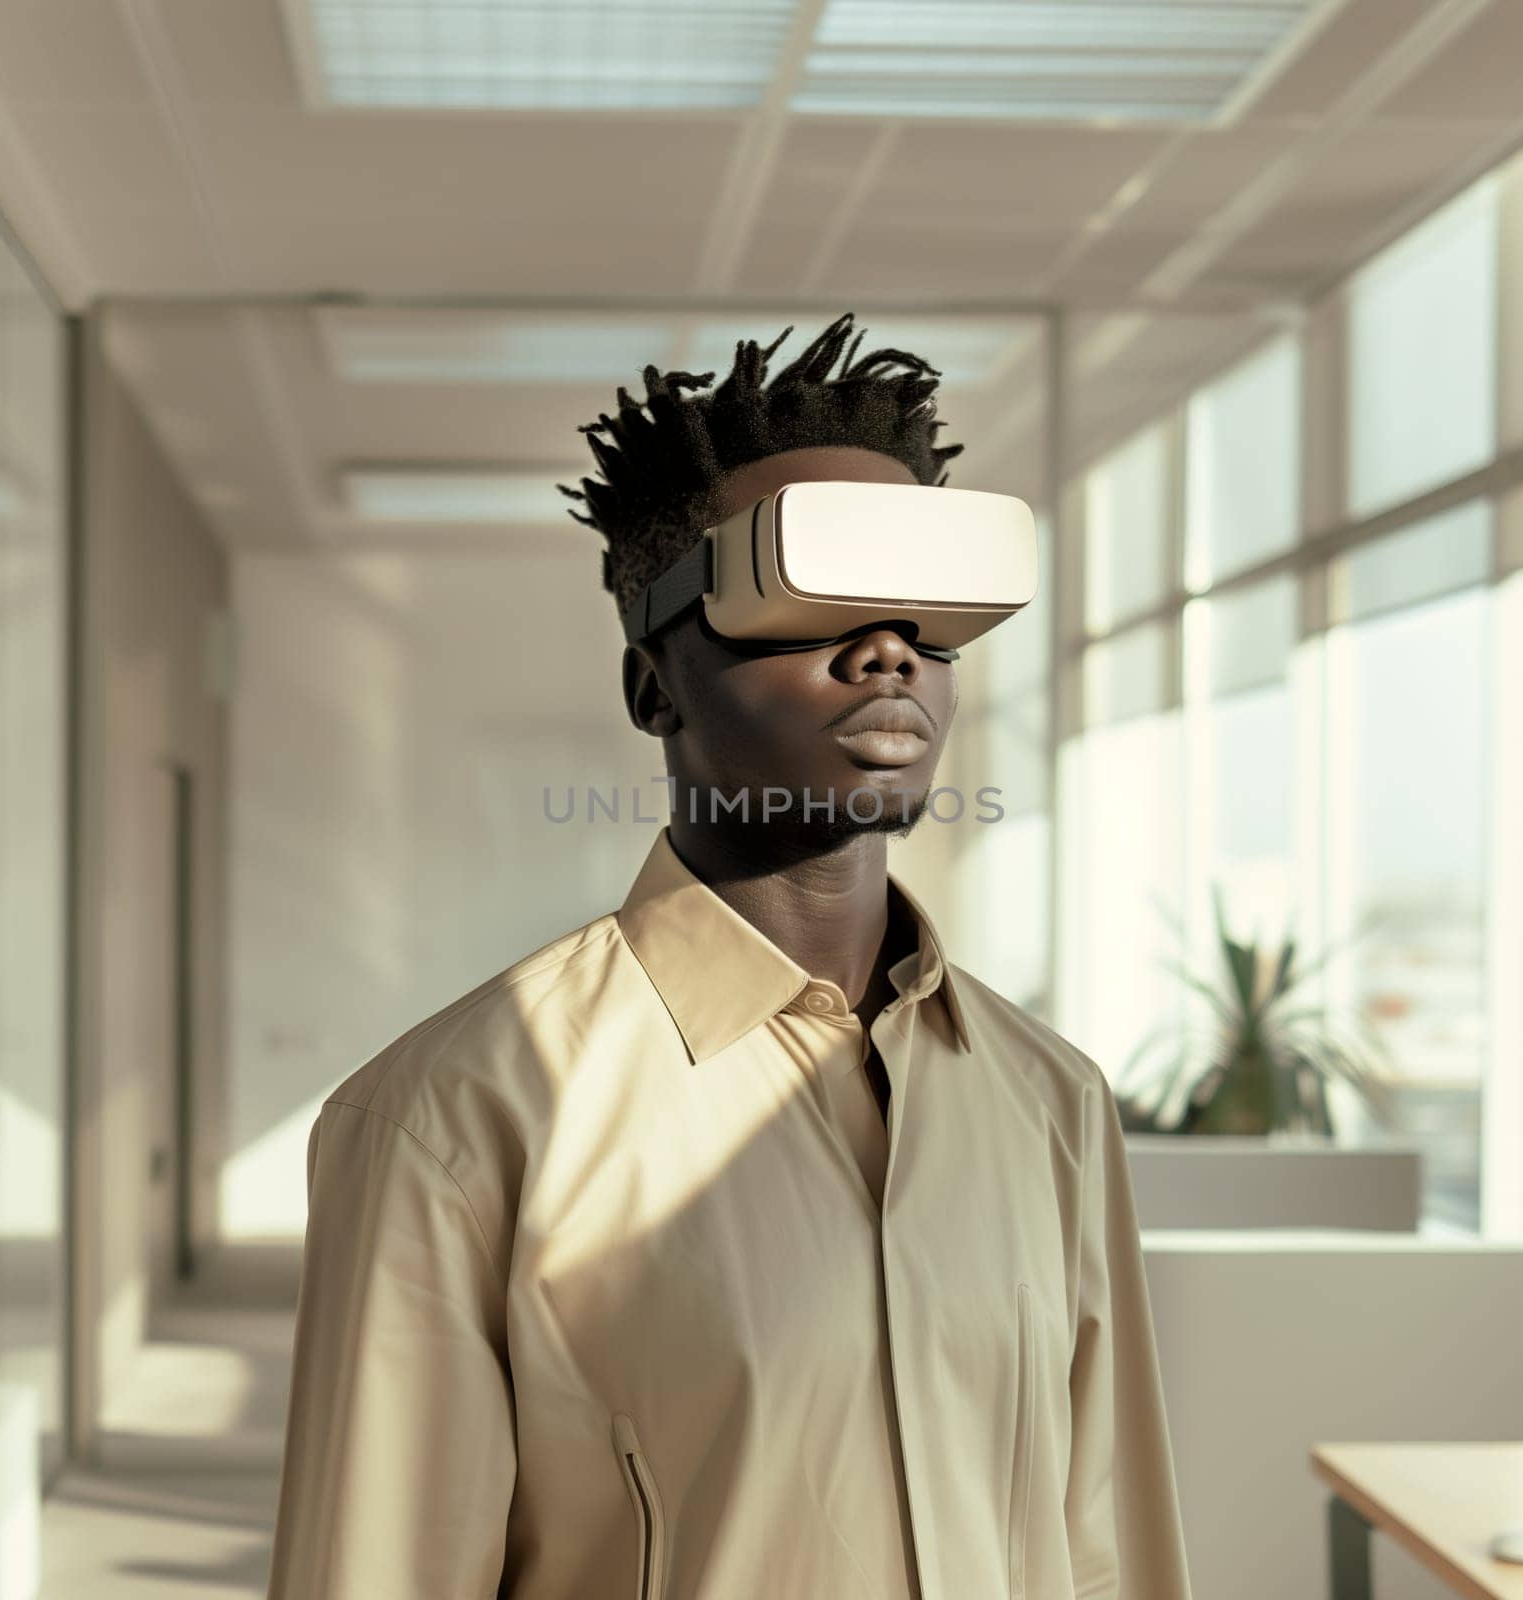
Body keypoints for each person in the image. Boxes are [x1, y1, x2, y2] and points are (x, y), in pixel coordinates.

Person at [265, 313, 1193, 1599]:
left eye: (925, 615)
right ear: (655, 684)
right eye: (810, 595)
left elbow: (1108, 1549)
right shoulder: (457, 1120)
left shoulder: (1052, 1104)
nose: (887, 650)